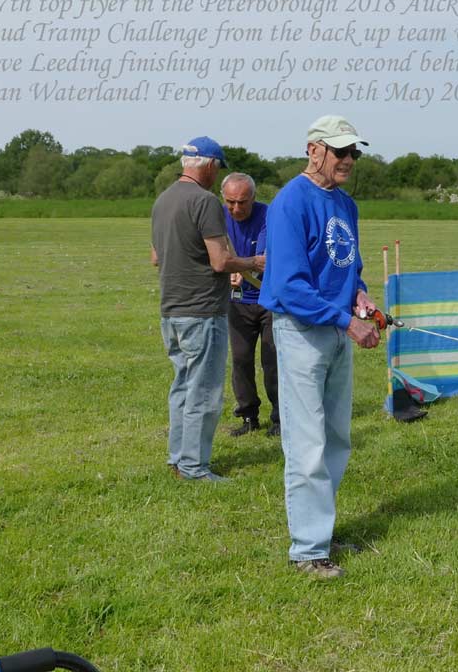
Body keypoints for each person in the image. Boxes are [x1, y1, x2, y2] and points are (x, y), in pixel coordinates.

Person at [260, 115, 380, 579]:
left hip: (337, 329)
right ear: (314, 150)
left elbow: (348, 266)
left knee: (335, 438)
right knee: (307, 443)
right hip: (303, 332)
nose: (349, 159)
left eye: (355, 152)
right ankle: (308, 551)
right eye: (340, 151)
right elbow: (289, 286)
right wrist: (347, 322)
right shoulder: (290, 203)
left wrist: (359, 295)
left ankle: (321, 532)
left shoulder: (346, 204)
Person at [150, 137, 263, 482]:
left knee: (182, 387)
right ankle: (194, 467)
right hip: (202, 311)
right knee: (204, 392)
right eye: (218, 169)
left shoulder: (163, 200)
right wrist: (254, 261)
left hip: (171, 311)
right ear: (211, 165)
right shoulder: (205, 201)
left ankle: (177, 459)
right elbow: (220, 261)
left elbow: (155, 257)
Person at [221, 172, 280, 437]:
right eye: (230, 202)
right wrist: (228, 271)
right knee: (241, 359)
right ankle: (248, 417)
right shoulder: (217, 216)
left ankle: (280, 418)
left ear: (253, 197)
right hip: (237, 302)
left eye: (242, 202)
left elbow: (263, 258)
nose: (236, 208)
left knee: (273, 361)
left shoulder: (268, 215)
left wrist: (241, 268)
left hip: (269, 301)